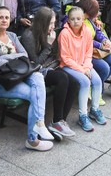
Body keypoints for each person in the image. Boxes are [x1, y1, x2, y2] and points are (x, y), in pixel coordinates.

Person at [0, 7, 53, 151]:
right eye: (0, 17)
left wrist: (6, 57)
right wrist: (15, 57)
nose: (4, 20)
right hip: (1, 82)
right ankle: (33, 139)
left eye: (7, 17)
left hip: (19, 77)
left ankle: (40, 123)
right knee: (34, 95)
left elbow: (24, 55)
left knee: (38, 76)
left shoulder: (12, 36)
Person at [20, 7, 79, 139]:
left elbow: (53, 57)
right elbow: (36, 63)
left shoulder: (48, 32)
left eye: (54, 23)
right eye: (51, 23)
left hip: (50, 67)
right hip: (35, 73)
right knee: (62, 78)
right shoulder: (28, 36)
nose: (53, 26)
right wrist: (49, 45)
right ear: (42, 22)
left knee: (75, 83)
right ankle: (57, 121)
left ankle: (61, 121)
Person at [60, 6, 105, 132]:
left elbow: (88, 53)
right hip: (68, 66)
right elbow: (65, 58)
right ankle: (83, 116)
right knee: (85, 82)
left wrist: (86, 67)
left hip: (84, 65)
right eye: (72, 19)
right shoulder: (64, 34)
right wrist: (82, 70)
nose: (76, 21)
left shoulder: (87, 32)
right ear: (68, 20)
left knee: (97, 80)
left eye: (78, 18)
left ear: (83, 19)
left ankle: (94, 110)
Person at [77, 0, 111, 99]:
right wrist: (100, 45)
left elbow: (98, 31)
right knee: (104, 67)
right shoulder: (77, 19)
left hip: (95, 50)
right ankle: (97, 89)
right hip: (84, 53)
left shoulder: (89, 19)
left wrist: (104, 40)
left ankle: (98, 86)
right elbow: (84, 39)